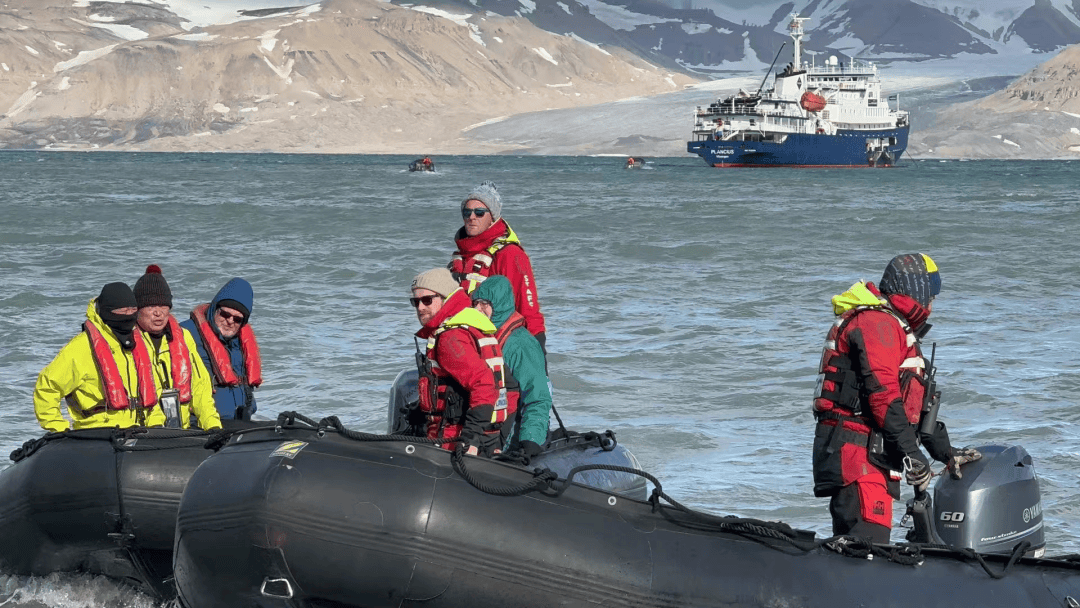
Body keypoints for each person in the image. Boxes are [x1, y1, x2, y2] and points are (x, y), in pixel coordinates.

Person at [811, 253, 981, 543]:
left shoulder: (889, 325)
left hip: (871, 459)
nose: (932, 304)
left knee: (868, 546)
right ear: (914, 290)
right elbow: (883, 397)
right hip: (858, 460)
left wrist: (945, 453)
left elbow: (910, 411)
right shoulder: (878, 323)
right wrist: (912, 456)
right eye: (931, 295)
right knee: (866, 547)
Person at [34, 282, 165, 432]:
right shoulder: (81, 347)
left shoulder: (142, 343)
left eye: (133, 310)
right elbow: (47, 386)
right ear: (108, 312)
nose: (129, 315)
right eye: (123, 310)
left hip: (139, 432)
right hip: (96, 434)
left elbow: (154, 390)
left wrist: (156, 425)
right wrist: (58, 428)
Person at [411, 267, 515, 456]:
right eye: (415, 301)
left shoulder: (451, 338)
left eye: (427, 300)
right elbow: (510, 385)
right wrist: (499, 435)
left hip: (453, 441)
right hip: (488, 437)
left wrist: (470, 440)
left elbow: (484, 384)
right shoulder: (472, 324)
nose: (420, 308)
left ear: (444, 298)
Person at [448, 182, 547, 351]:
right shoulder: (462, 256)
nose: (472, 217)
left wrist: (537, 352)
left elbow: (529, 309)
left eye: (479, 212)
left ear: (492, 217)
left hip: (498, 346)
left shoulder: (509, 254)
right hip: (462, 344)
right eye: (467, 212)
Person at [471, 275, 552, 461]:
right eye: (475, 303)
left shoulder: (521, 345)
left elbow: (537, 396)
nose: (477, 309)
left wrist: (530, 440)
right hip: (484, 428)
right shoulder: (479, 338)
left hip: (508, 434)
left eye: (484, 304)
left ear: (499, 305)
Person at [133, 265, 221, 431]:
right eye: (151, 306)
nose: (158, 313)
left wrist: (213, 426)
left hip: (181, 431)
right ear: (137, 309)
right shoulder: (128, 342)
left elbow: (200, 388)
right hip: (145, 432)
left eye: (163, 305)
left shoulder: (184, 337)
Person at [179, 278, 262, 421]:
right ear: (215, 309)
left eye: (237, 319)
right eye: (225, 314)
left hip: (240, 421)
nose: (230, 321)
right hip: (201, 423)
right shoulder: (185, 333)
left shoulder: (242, 340)